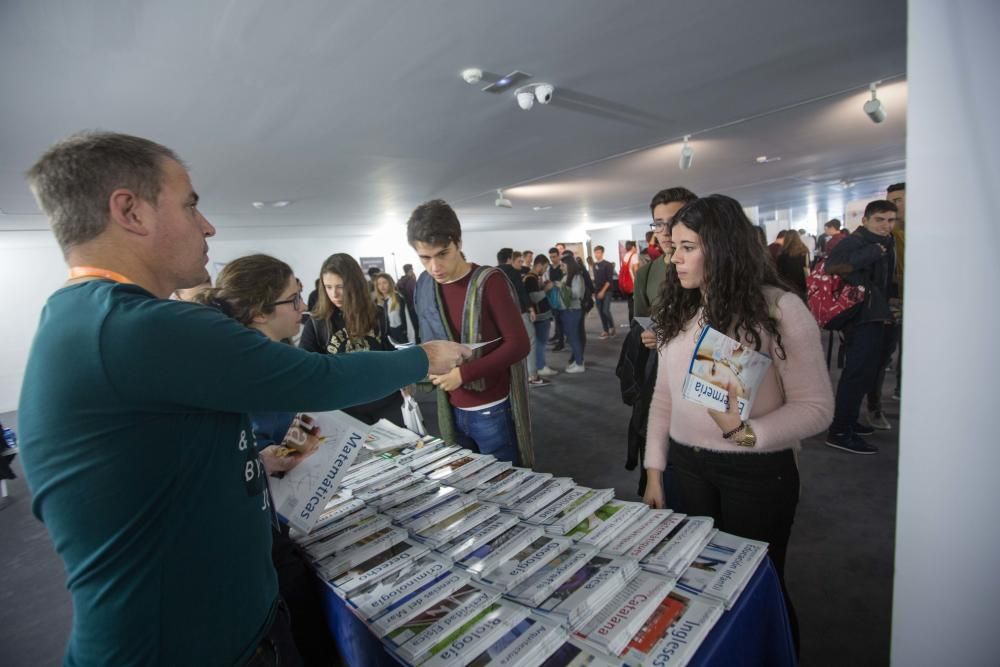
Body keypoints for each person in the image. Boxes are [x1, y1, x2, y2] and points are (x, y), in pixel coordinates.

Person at [17, 131, 468, 667]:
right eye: (190, 206)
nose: (207, 226)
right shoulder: (137, 326)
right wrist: (425, 356)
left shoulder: (82, 320)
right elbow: (316, 377)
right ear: (130, 211)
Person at [642, 194, 833, 654]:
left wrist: (748, 433)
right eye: (674, 245)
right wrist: (654, 469)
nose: (674, 255)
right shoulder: (684, 309)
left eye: (688, 246)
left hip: (756, 474)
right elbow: (662, 397)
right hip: (686, 468)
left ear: (722, 248)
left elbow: (817, 407)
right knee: (699, 584)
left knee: (757, 588)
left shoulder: (780, 309)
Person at [193, 254, 336, 666]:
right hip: (260, 534)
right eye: (293, 299)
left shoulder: (270, 360)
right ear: (259, 313)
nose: (304, 307)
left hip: (281, 517)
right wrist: (263, 459)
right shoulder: (239, 372)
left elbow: (294, 424)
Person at [409, 199, 533, 466]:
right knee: (467, 487)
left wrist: (463, 374)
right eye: (425, 258)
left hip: (491, 408)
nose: (434, 267)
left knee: (506, 484)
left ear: (458, 243)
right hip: (450, 406)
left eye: (442, 254)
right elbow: (428, 339)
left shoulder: (490, 281)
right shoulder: (425, 285)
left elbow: (519, 345)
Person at [825, 200, 899, 453]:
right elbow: (833, 266)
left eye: (891, 220)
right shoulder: (856, 242)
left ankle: (849, 422)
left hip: (875, 316)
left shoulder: (885, 243)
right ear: (865, 220)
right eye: (880, 219)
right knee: (856, 374)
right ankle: (840, 430)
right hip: (860, 318)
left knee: (865, 373)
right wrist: (872, 253)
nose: (886, 225)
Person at [300, 254, 410, 426]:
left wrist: (405, 377)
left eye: (340, 287)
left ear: (354, 285)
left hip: (386, 403)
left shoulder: (377, 314)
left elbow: (391, 352)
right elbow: (307, 370)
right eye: (328, 287)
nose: (334, 294)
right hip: (345, 410)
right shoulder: (317, 322)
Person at [634, 187, 698, 320]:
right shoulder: (645, 274)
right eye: (658, 224)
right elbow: (640, 320)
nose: (665, 231)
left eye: (674, 222)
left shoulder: (709, 268)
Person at [497, 248, 546, 387]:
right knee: (531, 340)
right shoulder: (512, 271)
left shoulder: (493, 272)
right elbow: (521, 291)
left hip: (502, 315)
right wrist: (530, 309)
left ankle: (512, 376)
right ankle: (533, 376)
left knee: (507, 344)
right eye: (517, 260)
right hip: (518, 312)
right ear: (509, 259)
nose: (520, 263)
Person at [883, 182, 906, 403]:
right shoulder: (889, 237)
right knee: (885, 351)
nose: (893, 206)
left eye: (898, 200)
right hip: (892, 301)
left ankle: (903, 387)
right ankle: (875, 406)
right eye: (890, 201)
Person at [525, 255, 559, 379]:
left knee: (540, 342)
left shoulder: (533, 278)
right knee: (540, 343)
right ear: (539, 265)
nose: (545, 271)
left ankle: (540, 365)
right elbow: (534, 298)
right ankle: (541, 366)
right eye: (544, 268)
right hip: (540, 316)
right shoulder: (531, 279)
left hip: (541, 315)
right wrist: (546, 289)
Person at [557, 254, 587, 373]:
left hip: (573, 311)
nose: (561, 267)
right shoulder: (568, 276)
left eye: (563, 265)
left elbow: (577, 294)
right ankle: (579, 360)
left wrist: (562, 286)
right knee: (573, 337)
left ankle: (579, 364)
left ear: (569, 265)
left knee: (574, 338)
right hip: (568, 310)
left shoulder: (576, 277)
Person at [374, 271, 415, 345]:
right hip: (392, 337)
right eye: (379, 284)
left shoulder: (398, 298)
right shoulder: (384, 301)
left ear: (390, 283)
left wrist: (411, 341)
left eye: (384, 282)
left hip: (402, 337)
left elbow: (408, 320)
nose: (382, 286)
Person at [775, 229, 811, 299]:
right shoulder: (804, 250)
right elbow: (808, 265)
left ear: (787, 239)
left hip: (788, 284)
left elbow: (779, 271)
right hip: (802, 282)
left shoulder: (783, 253)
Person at [592, 245, 616, 339]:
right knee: (600, 311)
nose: (596, 254)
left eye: (598, 252)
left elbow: (609, 281)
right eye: (595, 252)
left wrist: (602, 291)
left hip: (607, 290)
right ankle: (605, 330)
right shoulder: (594, 265)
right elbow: (596, 279)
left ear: (602, 253)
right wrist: (595, 292)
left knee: (605, 310)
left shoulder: (608, 264)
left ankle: (611, 327)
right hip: (597, 291)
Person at [547, 246, 565, 350]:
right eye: (551, 257)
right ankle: (557, 336)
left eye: (554, 256)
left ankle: (561, 342)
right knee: (556, 319)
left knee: (560, 320)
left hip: (562, 297)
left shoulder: (562, 267)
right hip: (553, 297)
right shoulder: (550, 268)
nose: (552, 259)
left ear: (559, 256)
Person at [619, 240, 640, 322]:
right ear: (633, 247)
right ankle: (635, 324)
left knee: (630, 306)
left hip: (626, 286)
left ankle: (631, 324)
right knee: (636, 306)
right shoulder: (634, 256)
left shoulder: (625, 256)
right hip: (633, 284)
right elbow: (636, 270)